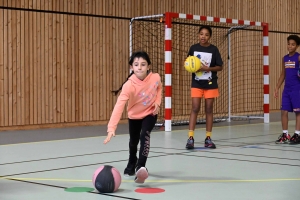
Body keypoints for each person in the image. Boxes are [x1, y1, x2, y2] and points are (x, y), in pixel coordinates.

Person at [103, 51, 162, 184]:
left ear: (148, 67)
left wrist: (157, 103)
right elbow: (119, 106)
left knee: (144, 135)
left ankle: (141, 166)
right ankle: (132, 162)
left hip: (150, 113)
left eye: (143, 64)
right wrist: (111, 127)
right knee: (133, 142)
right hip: (134, 116)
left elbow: (159, 89)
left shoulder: (155, 77)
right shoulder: (129, 86)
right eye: (136, 65)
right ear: (131, 67)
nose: (139, 67)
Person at [185, 25, 223, 149]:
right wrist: (190, 67)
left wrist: (209, 69)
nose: (203, 36)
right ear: (198, 35)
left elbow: (220, 66)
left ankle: (208, 138)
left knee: (209, 109)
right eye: (201, 34)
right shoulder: (193, 48)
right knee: (195, 108)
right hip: (197, 83)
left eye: (206, 35)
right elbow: (188, 62)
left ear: (209, 37)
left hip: (210, 84)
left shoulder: (214, 49)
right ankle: (190, 138)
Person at [274, 34, 300, 145]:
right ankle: (285, 134)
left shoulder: (298, 57)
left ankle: (297, 134)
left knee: (298, 112)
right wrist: (277, 87)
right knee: (284, 111)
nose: (290, 46)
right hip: (287, 89)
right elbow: (283, 74)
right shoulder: (284, 58)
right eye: (289, 44)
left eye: (293, 44)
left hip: (297, 89)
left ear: (297, 46)